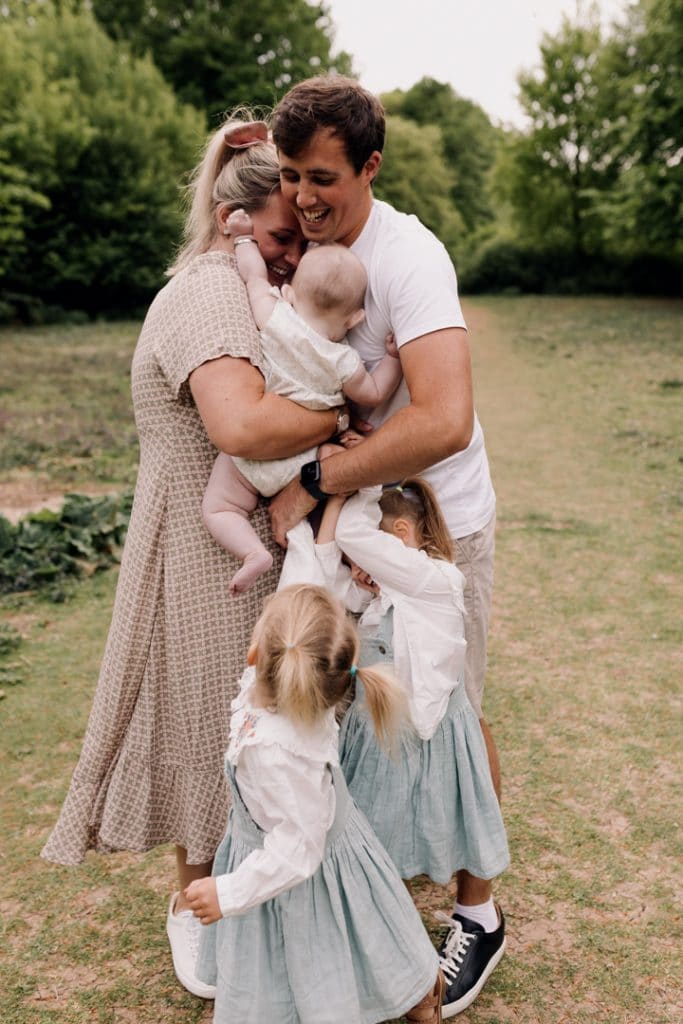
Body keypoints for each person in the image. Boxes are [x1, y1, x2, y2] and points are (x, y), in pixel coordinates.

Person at [40, 115, 344, 1000]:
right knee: (210, 725)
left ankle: (251, 899)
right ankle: (194, 904)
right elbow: (242, 425)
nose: (291, 258)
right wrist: (338, 423)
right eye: (282, 237)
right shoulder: (210, 292)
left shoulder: (232, 284)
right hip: (195, 541)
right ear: (231, 218)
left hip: (226, 537)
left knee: (248, 726)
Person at [269, 75, 505, 1013]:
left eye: (322, 176)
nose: (304, 197)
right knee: (352, 714)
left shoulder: (409, 257)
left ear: (370, 166)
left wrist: (319, 480)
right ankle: (363, 904)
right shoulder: (300, 241)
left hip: (435, 526)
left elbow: (445, 418)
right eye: (290, 175)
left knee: (450, 711)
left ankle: (478, 914)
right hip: (358, 532)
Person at [186, 583, 444, 1024]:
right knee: (366, 935)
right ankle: (415, 992)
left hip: (296, 870)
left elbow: (297, 850)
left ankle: (417, 999)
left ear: (255, 655)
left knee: (320, 957)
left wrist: (228, 891)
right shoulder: (296, 687)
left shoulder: (275, 752)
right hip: (330, 849)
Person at [312, 481, 509, 1018]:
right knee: (377, 837)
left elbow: (350, 531)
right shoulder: (387, 592)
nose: (360, 565)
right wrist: (356, 573)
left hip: (420, 737)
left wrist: (353, 482)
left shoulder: (432, 579)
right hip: (380, 739)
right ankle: (383, 946)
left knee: (419, 828)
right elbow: (334, 582)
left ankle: (458, 936)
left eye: (370, 552)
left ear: (400, 534)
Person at [202, 207, 402, 595]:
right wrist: (392, 359)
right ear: (355, 319)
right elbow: (375, 393)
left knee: (220, 507)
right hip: (301, 462)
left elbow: (254, 276)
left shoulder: (277, 318)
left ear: (291, 294)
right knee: (313, 514)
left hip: (255, 456)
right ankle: (327, 570)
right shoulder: (344, 361)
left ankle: (252, 552)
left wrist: (244, 237)